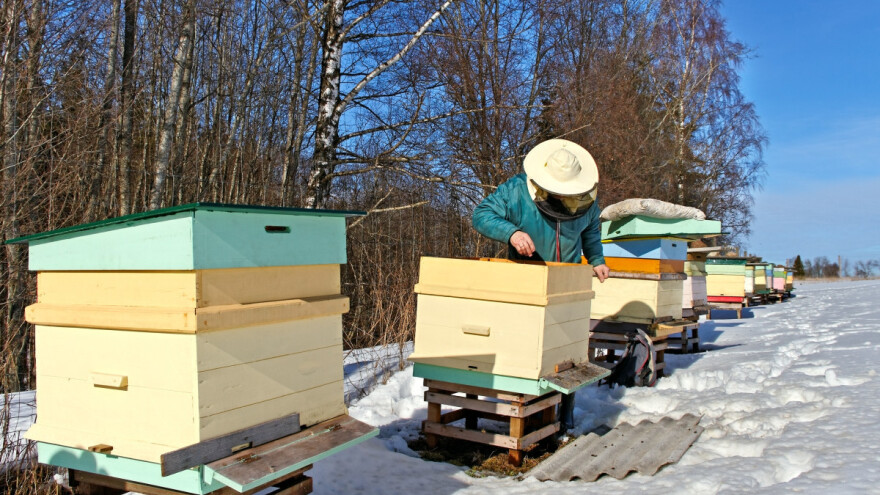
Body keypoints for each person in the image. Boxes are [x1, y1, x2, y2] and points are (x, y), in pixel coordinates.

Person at [471, 138, 609, 431]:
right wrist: (511, 233)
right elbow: (481, 215)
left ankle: (566, 408)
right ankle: (527, 410)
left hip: (568, 281)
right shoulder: (516, 190)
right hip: (526, 281)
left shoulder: (587, 198)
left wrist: (597, 259)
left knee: (568, 351)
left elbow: (591, 232)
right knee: (529, 349)